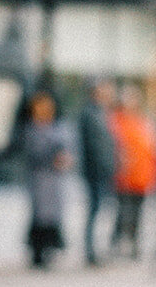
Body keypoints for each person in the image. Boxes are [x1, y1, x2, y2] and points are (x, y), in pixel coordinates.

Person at [109, 85, 156, 260]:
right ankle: (118, 243)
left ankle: (133, 244)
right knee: (124, 212)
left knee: (137, 213)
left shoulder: (142, 121)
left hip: (142, 175)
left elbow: (151, 147)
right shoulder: (117, 121)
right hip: (125, 176)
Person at [22, 90, 73, 269]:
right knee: (39, 216)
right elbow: (32, 152)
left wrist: (65, 158)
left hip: (55, 179)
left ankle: (51, 248)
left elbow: (69, 148)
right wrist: (52, 157)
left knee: (53, 216)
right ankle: (38, 250)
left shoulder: (59, 126)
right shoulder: (30, 129)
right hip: (39, 177)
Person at [77, 80, 118, 266]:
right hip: (95, 171)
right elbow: (94, 146)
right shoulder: (89, 114)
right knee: (94, 210)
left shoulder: (102, 112)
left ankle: (97, 249)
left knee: (101, 211)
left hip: (103, 170)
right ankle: (90, 251)